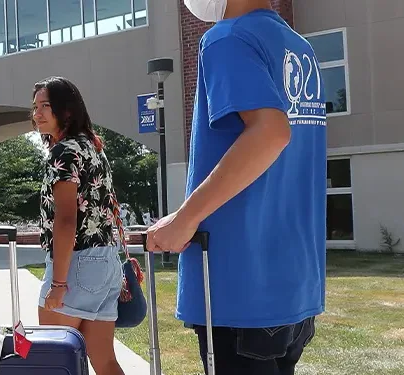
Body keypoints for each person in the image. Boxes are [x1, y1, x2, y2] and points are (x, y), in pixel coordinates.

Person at [146, 0, 324, 374]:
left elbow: (271, 133)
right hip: (294, 281)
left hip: (237, 281)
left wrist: (186, 218)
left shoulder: (226, 38)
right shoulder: (298, 47)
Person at [30, 76, 127, 375]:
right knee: (105, 360)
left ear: (67, 110)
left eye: (46, 105)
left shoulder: (63, 153)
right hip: (106, 263)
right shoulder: (94, 148)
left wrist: (58, 284)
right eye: (35, 107)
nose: (37, 113)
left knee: (54, 362)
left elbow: (66, 219)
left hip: (76, 265)